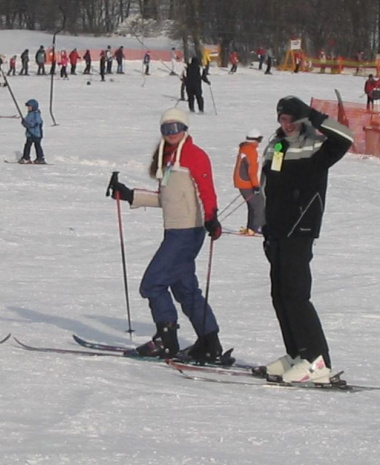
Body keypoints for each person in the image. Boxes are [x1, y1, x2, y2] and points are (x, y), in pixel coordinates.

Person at [108, 108, 229, 364]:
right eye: (166, 128)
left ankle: (167, 340)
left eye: (176, 128)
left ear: (185, 129)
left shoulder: (194, 155)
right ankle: (209, 341)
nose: (171, 133)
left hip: (187, 232)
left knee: (153, 284)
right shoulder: (168, 158)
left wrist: (211, 217)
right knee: (185, 289)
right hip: (176, 230)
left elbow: (207, 189)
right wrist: (129, 195)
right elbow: (165, 200)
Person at [259, 96, 354, 383]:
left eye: (291, 119)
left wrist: (313, 115)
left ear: (301, 120)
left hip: (301, 228)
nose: (285, 125)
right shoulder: (277, 145)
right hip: (277, 229)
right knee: (280, 294)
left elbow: (346, 138)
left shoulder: (317, 145)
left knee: (297, 294)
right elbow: (271, 185)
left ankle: (317, 359)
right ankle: (298, 353)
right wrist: (265, 224)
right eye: (282, 119)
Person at [233, 129, 265, 235]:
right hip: (246, 182)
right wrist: (256, 185)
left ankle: (251, 227)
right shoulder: (250, 151)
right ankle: (257, 227)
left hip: (242, 181)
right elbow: (252, 171)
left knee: (253, 204)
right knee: (258, 203)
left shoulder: (245, 148)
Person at [19, 99, 45, 164]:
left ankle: (39, 158)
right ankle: (26, 157)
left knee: (37, 145)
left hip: (36, 134)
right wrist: (24, 122)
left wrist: (29, 125)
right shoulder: (29, 114)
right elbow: (27, 122)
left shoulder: (36, 114)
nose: (28, 108)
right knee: (27, 145)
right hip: (30, 134)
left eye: (30, 107)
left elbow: (37, 122)